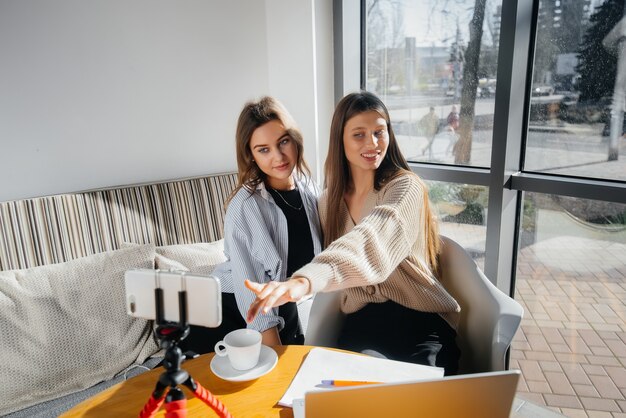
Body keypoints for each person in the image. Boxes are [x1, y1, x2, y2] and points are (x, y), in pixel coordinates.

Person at [245, 91, 461, 375]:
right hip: (360, 324)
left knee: (413, 400)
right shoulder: (327, 203)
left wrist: (301, 282)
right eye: (359, 134)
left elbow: (371, 243)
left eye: (379, 132)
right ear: (341, 141)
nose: (372, 143)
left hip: (419, 321)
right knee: (341, 396)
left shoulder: (406, 188)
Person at [180, 96, 322, 354]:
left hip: (281, 305)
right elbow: (252, 296)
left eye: (283, 142)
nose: (278, 156)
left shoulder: (309, 189)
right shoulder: (245, 206)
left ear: (295, 139)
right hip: (231, 311)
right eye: (263, 149)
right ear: (251, 155)